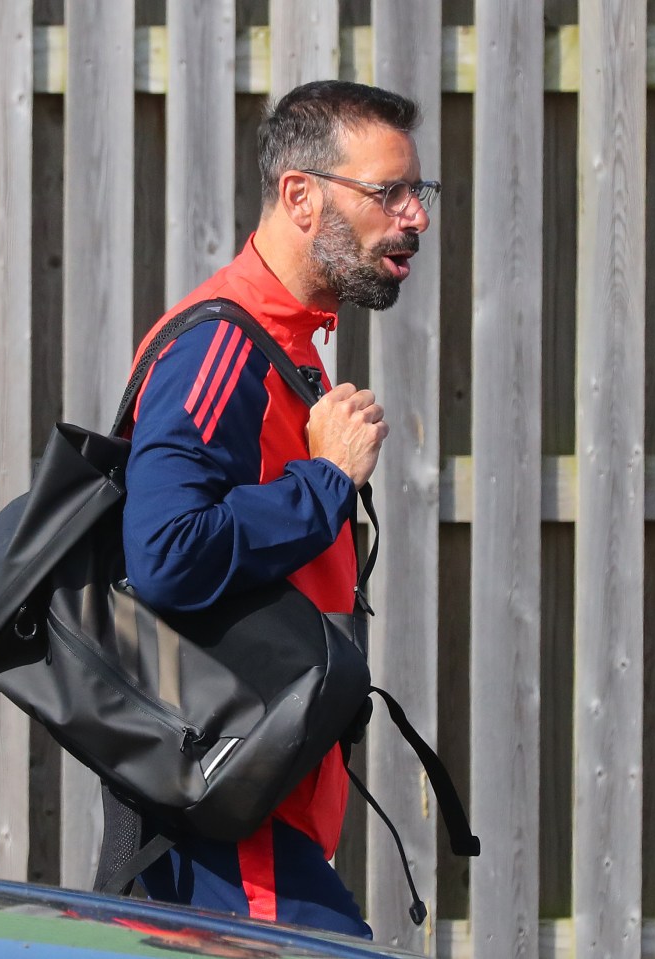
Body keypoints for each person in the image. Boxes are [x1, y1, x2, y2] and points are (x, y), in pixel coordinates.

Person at [122, 79, 439, 937]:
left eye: (419, 192)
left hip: (262, 799)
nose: (413, 216)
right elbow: (164, 552)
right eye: (387, 193)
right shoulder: (223, 345)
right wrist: (326, 480)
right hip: (236, 821)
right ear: (300, 196)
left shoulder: (290, 341)